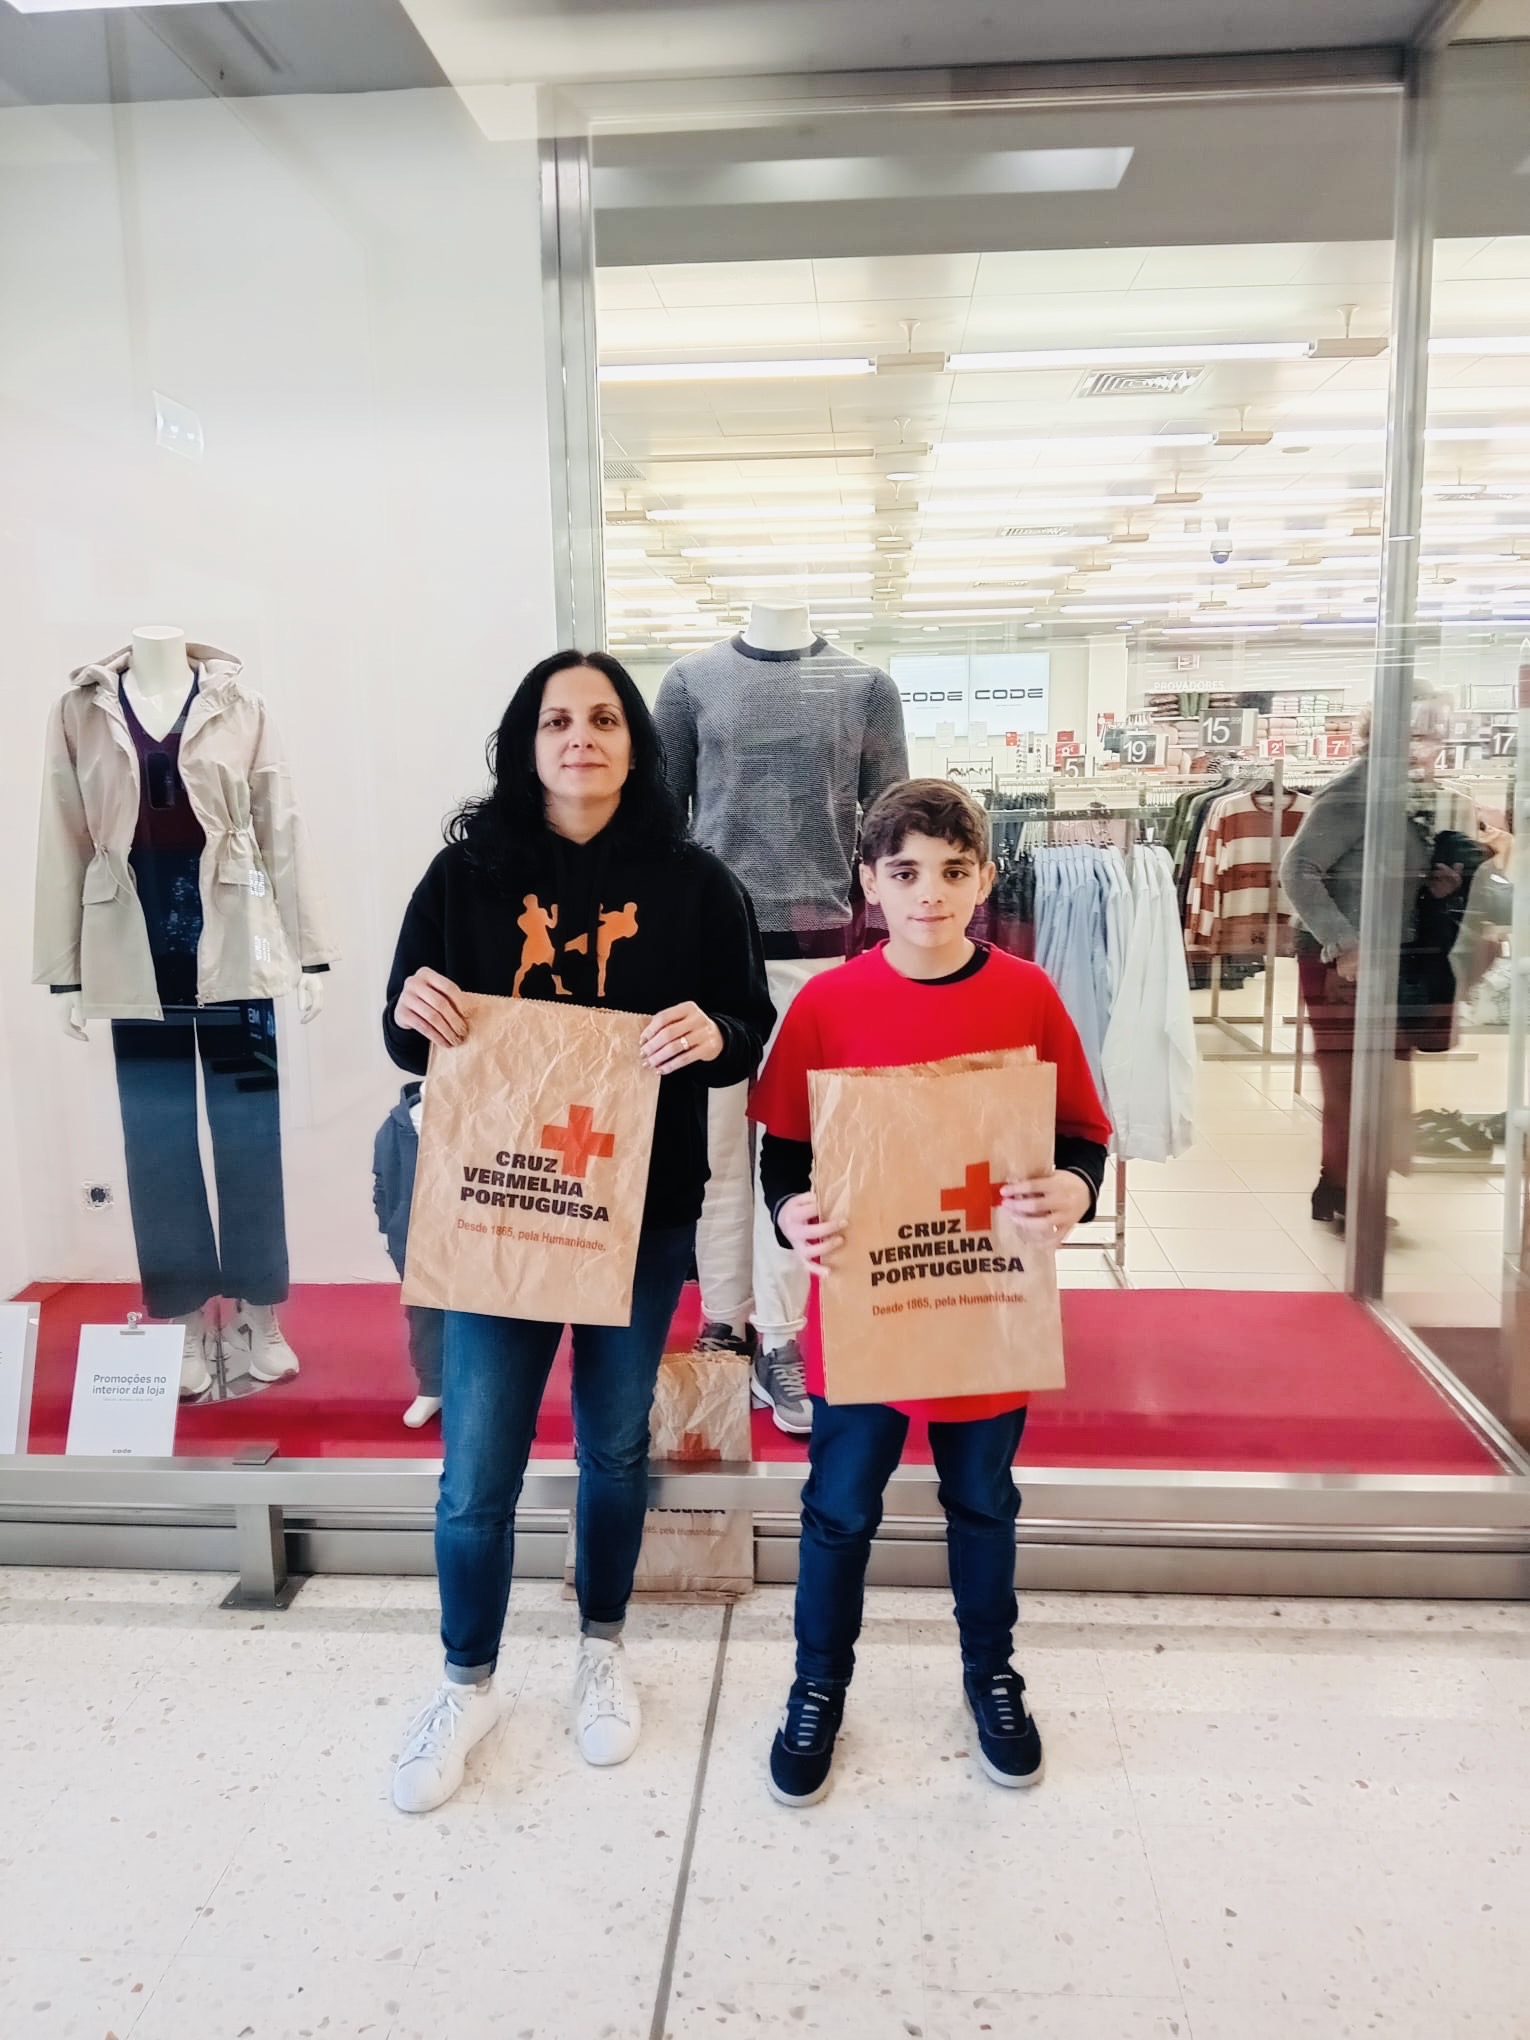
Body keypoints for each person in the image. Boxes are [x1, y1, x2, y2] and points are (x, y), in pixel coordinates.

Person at [382, 650, 773, 1814]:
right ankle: (467, 1682)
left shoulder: (697, 886)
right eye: (557, 720)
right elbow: (408, 1034)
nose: (580, 738)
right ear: (527, 741)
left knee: (611, 1447)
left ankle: (602, 1648)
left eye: (603, 718)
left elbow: (747, 1029)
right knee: (476, 1472)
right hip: (498, 1207)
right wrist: (410, 1007)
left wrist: (714, 1033)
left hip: (640, 1211)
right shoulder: (465, 876)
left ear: (634, 742)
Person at [748, 779, 1111, 1807]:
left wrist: (1075, 1189)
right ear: (869, 883)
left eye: (954, 872)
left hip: (984, 1309)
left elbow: (1081, 1134)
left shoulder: (1027, 997)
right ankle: (818, 1684)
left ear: (986, 879)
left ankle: (991, 1675)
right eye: (905, 873)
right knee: (837, 1508)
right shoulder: (828, 1004)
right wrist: (791, 1212)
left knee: (983, 1502)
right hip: (866, 1307)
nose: (930, 894)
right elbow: (786, 1152)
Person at [1282, 698, 1476, 1229]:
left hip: (1386, 958)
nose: (1427, 748)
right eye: (1416, 735)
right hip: (1344, 963)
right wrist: (1344, 944)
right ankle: (1347, 1193)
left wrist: (1434, 887)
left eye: (1434, 736)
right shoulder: (1357, 790)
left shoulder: (1402, 793)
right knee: (1352, 1082)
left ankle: (1342, 1188)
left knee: (1376, 1080)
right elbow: (1298, 870)